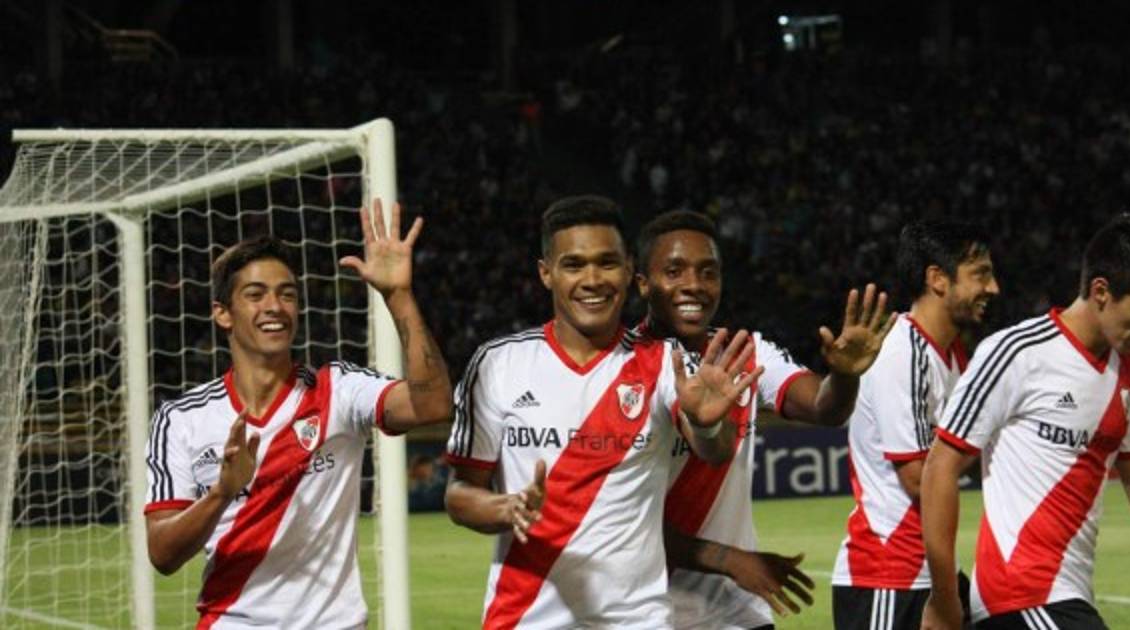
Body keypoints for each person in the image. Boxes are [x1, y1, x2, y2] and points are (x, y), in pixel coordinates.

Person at [443, 195, 762, 629]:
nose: (592, 280)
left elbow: (715, 450)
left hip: (636, 621)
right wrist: (506, 507)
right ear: (546, 273)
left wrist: (707, 424)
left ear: (629, 270)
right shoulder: (498, 364)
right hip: (525, 618)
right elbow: (460, 494)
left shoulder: (663, 362)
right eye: (574, 265)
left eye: (607, 263)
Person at [143, 200, 453, 628]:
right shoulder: (181, 419)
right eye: (255, 294)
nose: (275, 305)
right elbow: (162, 554)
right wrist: (222, 493)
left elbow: (434, 403)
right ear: (223, 314)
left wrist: (398, 296)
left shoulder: (339, 390)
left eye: (287, 294)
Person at [921, 214, 1130, 630]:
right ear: (1101, 291)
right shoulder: (1016, 353)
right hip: (1017, 593)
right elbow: (940, 467)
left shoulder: (1128, 365)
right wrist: (942, 597)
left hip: (1066, 595)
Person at [633, 209, 895, 629]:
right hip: (645, 613)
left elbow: (825, 408)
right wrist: (728, 559)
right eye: (674, 271)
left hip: (737, 614)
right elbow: (617, 521)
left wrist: (845, 374)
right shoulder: (617, 369)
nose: (694, 285)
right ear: (643, 283)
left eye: (708, 272)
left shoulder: (745, 353)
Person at [830, 220, 998, 629]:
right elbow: (920, 478)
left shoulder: (952, 354)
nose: (993, 288)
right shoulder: (904, 352)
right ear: (937, 279)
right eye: (981, 275)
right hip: (888, 577)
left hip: (926, 570)